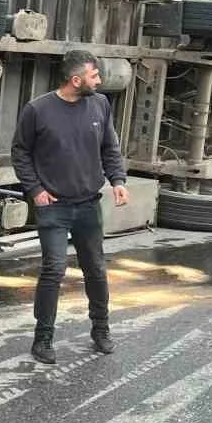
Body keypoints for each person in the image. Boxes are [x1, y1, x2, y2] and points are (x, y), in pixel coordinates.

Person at [11, 49, 130, 364]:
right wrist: (34, 189)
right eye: (94, 76)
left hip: (89, 205)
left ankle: (101, 330)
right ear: (76, 80)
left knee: (96, 269)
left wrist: (118, 180)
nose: (100, 81)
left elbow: (110, 147)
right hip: (54, 206)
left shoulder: (100, 105)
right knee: (54, 270)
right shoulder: (38, 110)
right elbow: (20, 152)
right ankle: (43, 338)